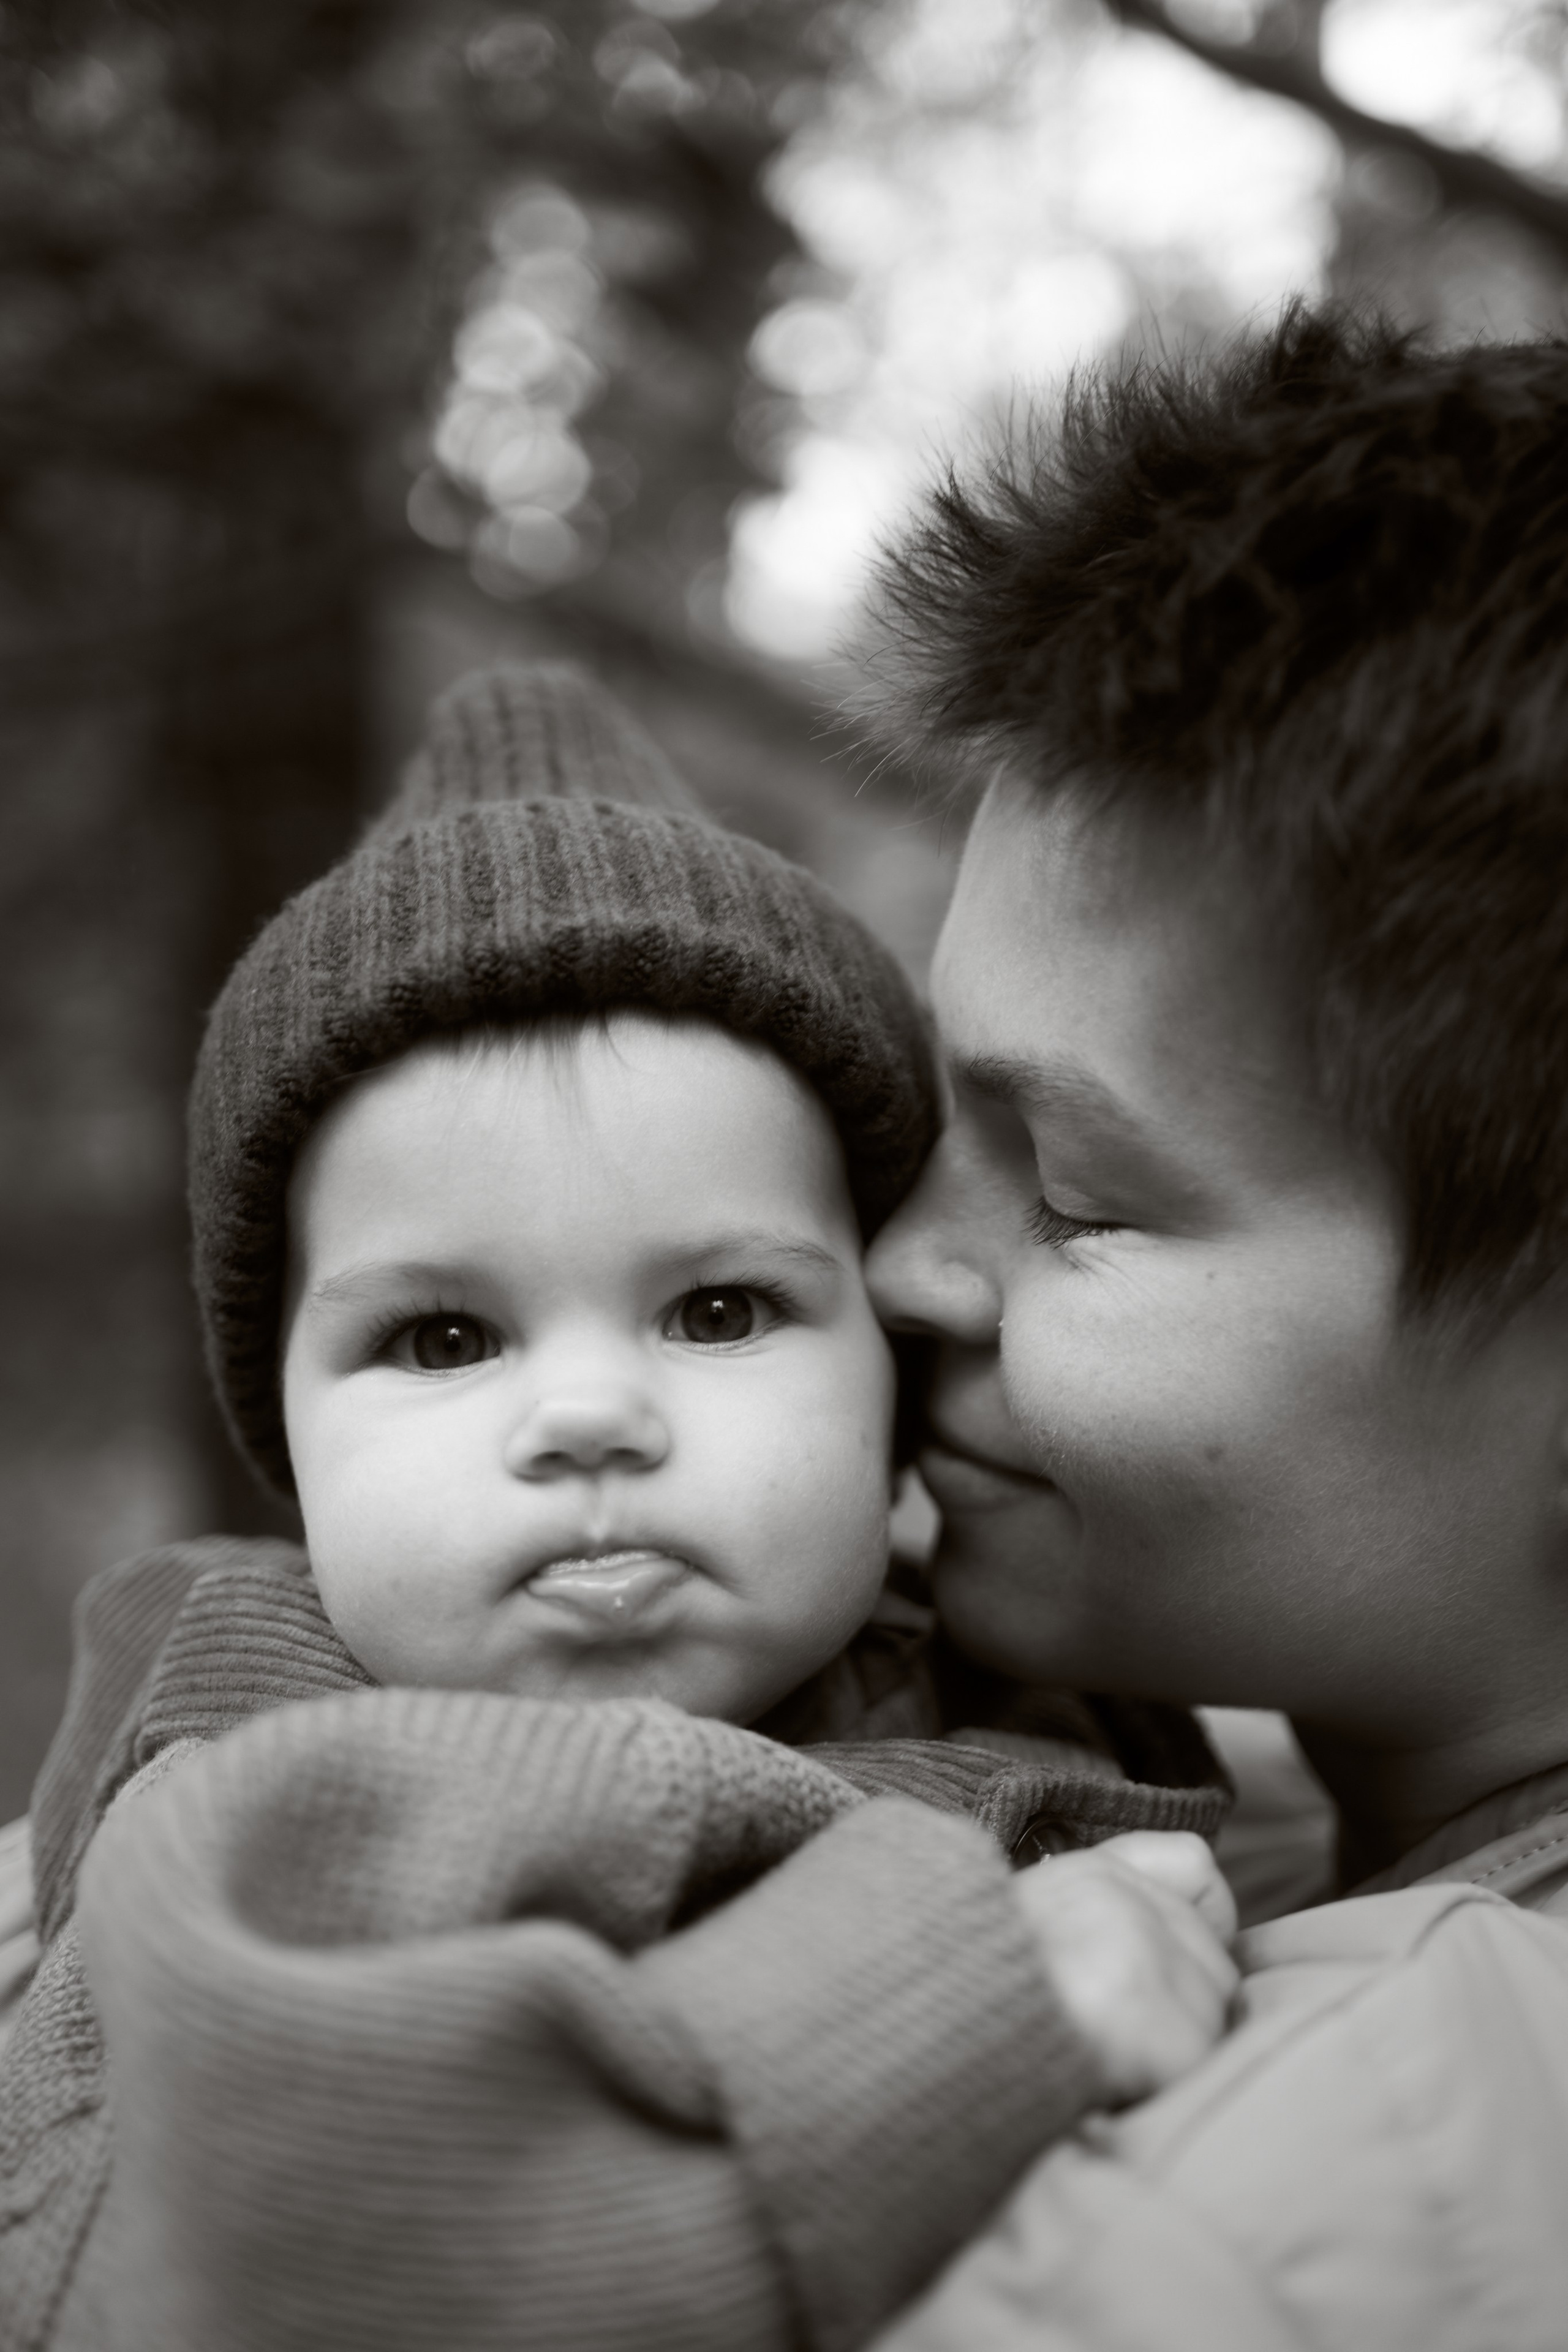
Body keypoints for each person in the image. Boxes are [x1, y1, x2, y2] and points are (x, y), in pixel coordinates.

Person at [0, 662, 1235, 2352]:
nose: (587, 1416)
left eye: (719, 1311)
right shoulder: (278, 1761)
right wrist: (981, 2000)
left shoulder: (992, 1681)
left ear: (889, 1357)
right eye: (443, 1336)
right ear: (283, 1428)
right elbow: (305, 2248)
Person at [851, 305, 1568, 2348]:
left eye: (1075, 1195)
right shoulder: (1232, 1837)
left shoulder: (1269, 2201)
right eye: (939, 1118)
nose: (906, 1262)